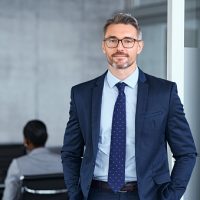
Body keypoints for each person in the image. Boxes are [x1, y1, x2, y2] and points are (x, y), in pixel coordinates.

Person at [61, 13, 197, 200]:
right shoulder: (82, 94)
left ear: (139, 46)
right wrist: (75, 195)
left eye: (128, 41)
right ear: (103, 46)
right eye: (112, 41)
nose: (120, 47)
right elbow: (70, 153)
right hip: (97, 194)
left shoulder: (164, 93)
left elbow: (186, 153)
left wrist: (170, 197)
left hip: (147, 194)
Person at [2, 119, 63, 200]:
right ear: (46, 137)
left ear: (26, 141)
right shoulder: (64, 162)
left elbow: (8, 198)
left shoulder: (17, 165)